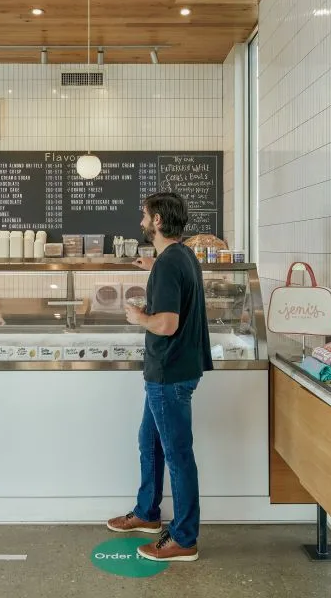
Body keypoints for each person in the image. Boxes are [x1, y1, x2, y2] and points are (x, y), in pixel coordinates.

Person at [107, 192, 211, 563]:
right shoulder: (180, 256)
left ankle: (183, 538)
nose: (141, 222)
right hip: (174, 369)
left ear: (159, 223)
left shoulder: (169, 265)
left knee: (178, 455)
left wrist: (139, 317)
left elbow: (166, 324)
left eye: (145, 216)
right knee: (148, 442)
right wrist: (152, 267)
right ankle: (147, 513)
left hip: (168, 373)